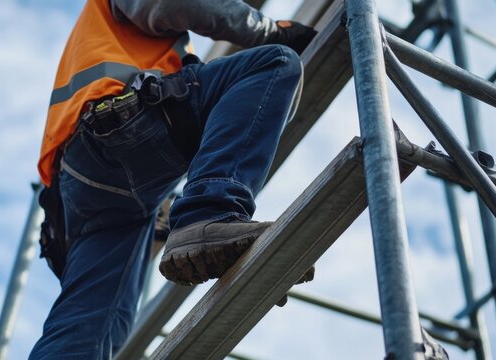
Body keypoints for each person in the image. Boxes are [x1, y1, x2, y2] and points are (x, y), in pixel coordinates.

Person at [30, 0, 316, 358]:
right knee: (273, 63)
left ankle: (199, 216)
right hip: (116, 130)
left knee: (91, 325)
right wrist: (272, 32)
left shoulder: (132, 41)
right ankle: (207, 214)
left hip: (82, 182)